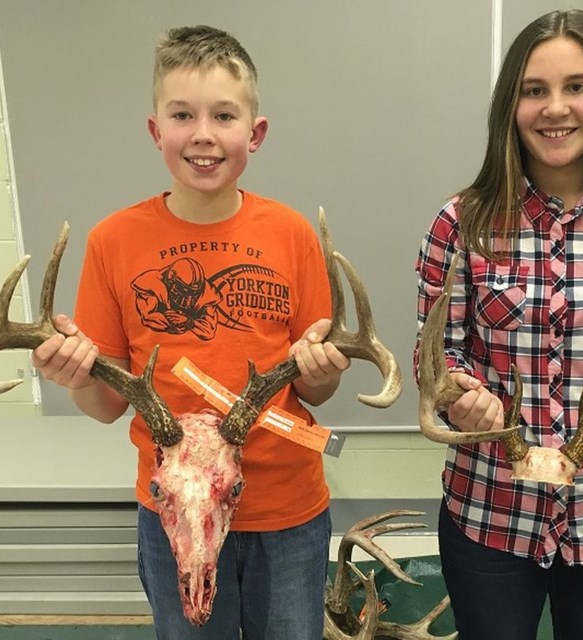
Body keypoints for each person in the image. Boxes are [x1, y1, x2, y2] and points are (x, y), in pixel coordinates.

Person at [31, 25, 350, 639]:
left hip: (283, 512)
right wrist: (74, 376)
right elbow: (103, 406)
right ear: (156, 131)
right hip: (173, 510)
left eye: (223, 115)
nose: (203, 134)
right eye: (182, 114)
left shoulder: (291, 235)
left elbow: (315, 394)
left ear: (253, 133)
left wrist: (325, 370)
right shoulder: (113, 242)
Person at [413, 9, 583, 640]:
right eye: (534, 90)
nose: (554, 108)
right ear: (510, 104)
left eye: (577, 87)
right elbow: (436, 357)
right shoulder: (460, 223)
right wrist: (462, 397)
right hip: (491, 510)